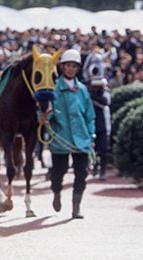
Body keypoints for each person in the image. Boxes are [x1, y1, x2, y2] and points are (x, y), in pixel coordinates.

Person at [46, 49, 95, 219]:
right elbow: (45, 112)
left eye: (74, 66)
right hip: (60, 138)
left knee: (82, 173)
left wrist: (91, 136)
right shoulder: (53, 88)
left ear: (78, 68)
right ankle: (57, 192)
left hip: (81, 139)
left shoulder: (82, 89)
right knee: (58, 172)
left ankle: (76, 208)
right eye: (68, 65)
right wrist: (44, 118)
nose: (70, 69)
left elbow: (90, 115)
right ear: (62, 66)